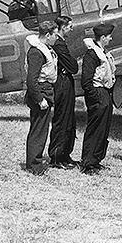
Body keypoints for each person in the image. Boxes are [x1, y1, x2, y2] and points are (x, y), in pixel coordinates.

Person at [80, 24, 116, 175]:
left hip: (105, 93)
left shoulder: (102, 52)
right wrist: (96, 97)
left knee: (103, 129)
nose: (111, 38)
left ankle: (96, 160)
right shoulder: (92, 54)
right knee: (95, 129)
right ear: (102, 37)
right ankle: (88, 163)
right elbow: (86, 81)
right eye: (109, 36)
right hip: (98, 93)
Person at [24, 21, 58, 175]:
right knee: (38, 130)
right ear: (48, 34)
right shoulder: (36, 52)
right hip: (41, 92)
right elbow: (31, 80)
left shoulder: (44, 49)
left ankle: (34, 162)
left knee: (41, 129)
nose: (56, 38)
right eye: (55, 35)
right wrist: (39, 99)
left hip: (45, 90)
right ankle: (34, 165)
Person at [48, 16, 79, 169]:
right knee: (62, 119)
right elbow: (73, 67)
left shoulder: (61, 42)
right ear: (62, 27)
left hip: (66, 81)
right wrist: (72, 64)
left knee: (69, 120)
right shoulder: (59, 44)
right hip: (62, 82)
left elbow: (71, 66)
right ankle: (56, 157)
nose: (71, 29)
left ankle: (65, 155)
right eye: (69, 26)